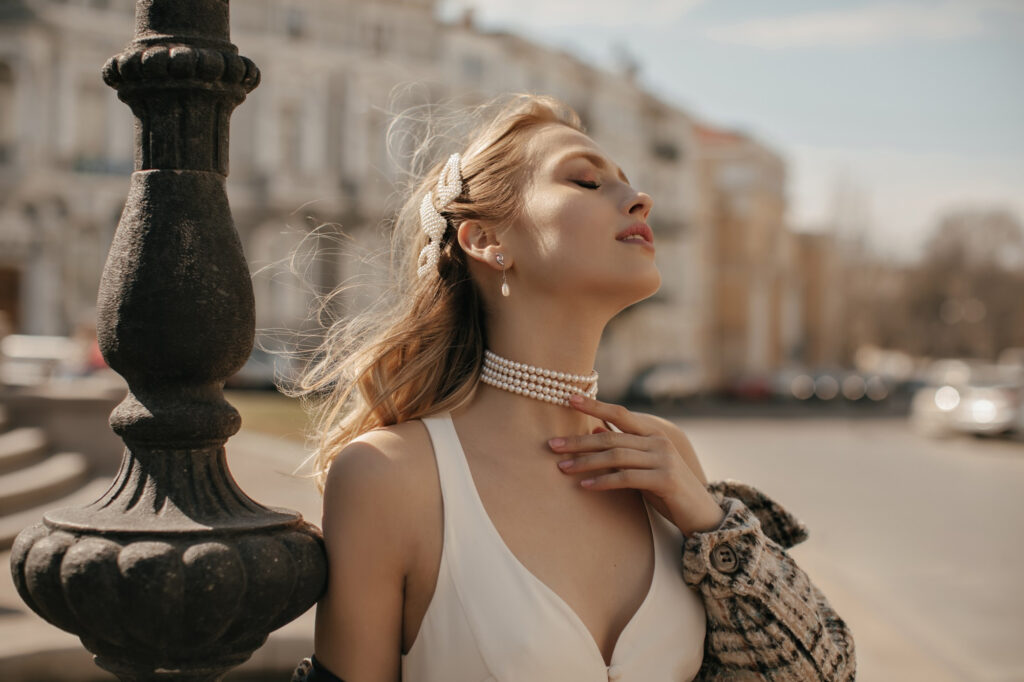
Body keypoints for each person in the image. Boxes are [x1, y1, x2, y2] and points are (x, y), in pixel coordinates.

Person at [290, 93, 855, 681]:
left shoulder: (665, 457)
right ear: (487, 241)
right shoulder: (389, 477)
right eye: (585, 182)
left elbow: (827, 673)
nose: (640, 199)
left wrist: (715, 527)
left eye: (629, 183)